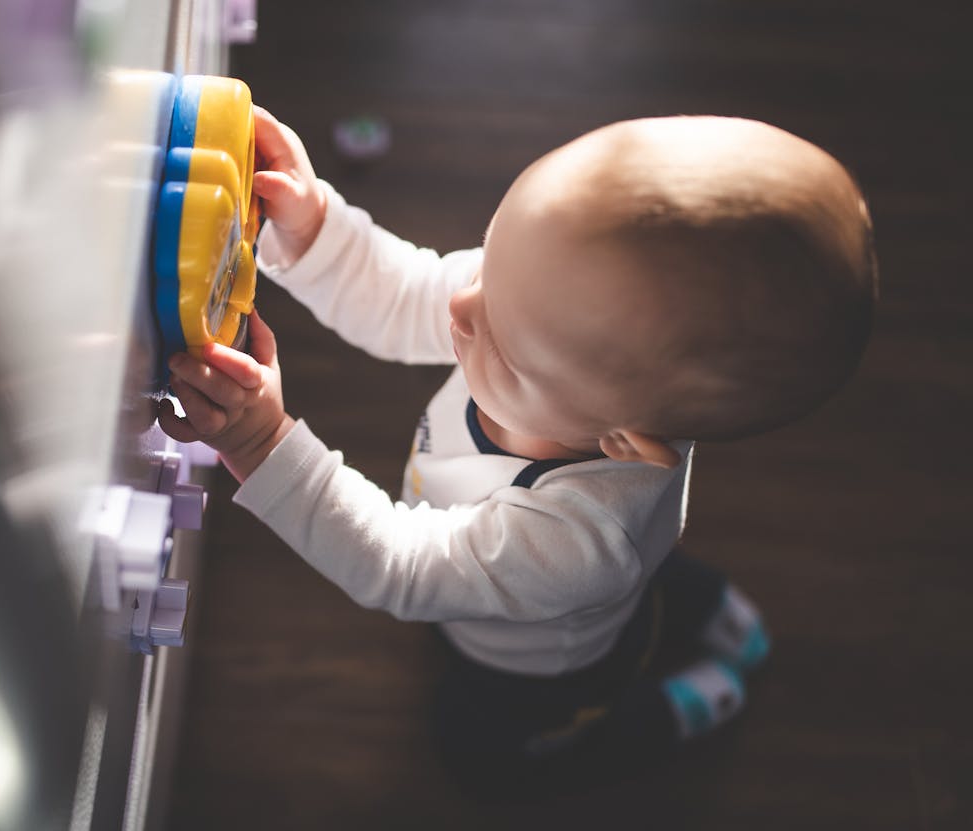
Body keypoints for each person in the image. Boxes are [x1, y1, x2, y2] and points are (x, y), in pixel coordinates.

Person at [156, 107, 877, 792]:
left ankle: (663, 715)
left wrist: (260, 441)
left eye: (502, 339)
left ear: (620, 440)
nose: (462, 307)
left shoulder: (578, 544)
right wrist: (314, 231)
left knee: (481, 761)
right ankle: (705, 604)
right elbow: (404, 294)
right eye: (488, 263)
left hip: (539, 678)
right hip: (571, 587)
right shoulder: (539, 311)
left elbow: (399, 563)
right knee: (641, 583)